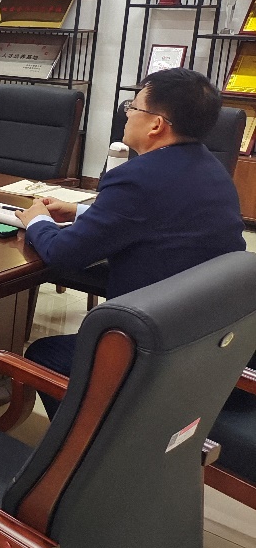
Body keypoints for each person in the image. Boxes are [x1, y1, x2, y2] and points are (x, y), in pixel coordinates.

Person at [15, 68, 246, 416]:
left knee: (43, 354)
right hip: (211, 338)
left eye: (133, 107)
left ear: (156, 124)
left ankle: (86, 444)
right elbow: (161, 218)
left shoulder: (135, 177)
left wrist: (38, 220)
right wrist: (80, 211)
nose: (127, 114)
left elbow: (62, 254)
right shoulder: (213, 170)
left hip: (154, 346)